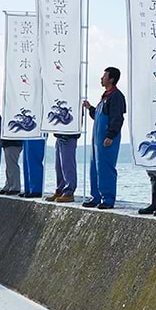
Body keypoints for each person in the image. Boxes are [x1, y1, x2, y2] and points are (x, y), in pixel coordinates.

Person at [81, 67, 126, 210]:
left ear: (111, 79)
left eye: (104, 75)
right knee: (95, 168)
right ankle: (95, 197)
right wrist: (90, 108)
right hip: (97, 141)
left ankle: (108, 199)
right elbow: (98, 116)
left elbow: (117, 118)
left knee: (106, 168)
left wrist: (111, 135)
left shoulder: (116, 96)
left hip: (107, 139)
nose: (101, 78)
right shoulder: (105, 96)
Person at [44, 132, 78, 204]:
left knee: (67, 165)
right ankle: (60, 190)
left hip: (69, 136)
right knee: (59, 166)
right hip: (59, 135)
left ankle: (69, 192)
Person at [0, 118, 23, 195]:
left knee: (12, 164)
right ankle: (9, 185)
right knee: (9, 165)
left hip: (13, 142)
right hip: (7, 142)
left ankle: (15, 187)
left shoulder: (12, 114)